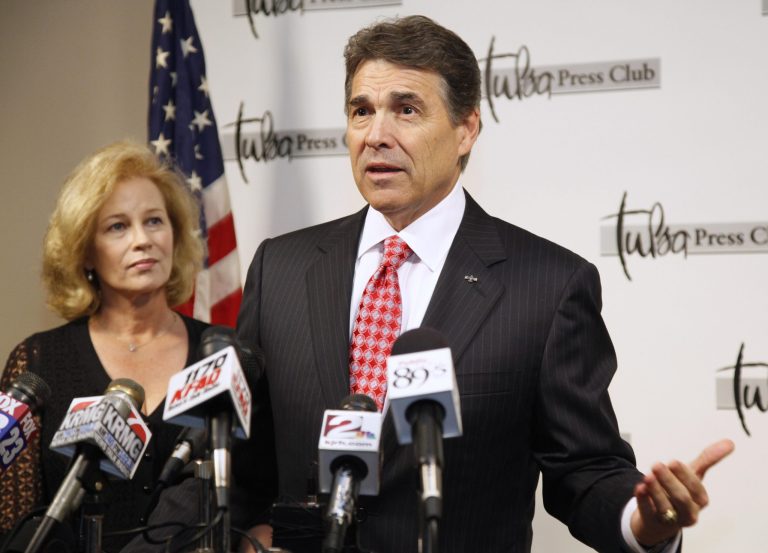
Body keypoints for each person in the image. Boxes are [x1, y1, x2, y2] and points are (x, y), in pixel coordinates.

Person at [230, 15, 735, 553]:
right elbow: (241, 462)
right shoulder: (280, 267)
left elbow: (583, 470)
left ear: (466, 128)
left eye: (406, 109)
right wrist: (243, 540)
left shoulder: (546, 286)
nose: (376, 135)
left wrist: (645, 521)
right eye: (361, 111)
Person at [0, 141, 210, 552]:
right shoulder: (38, 361)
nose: (142, 240)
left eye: (154, 221)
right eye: (117, 226)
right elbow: (13, 521)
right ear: (86, 252)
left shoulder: (218, 355)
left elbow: (249, 494)